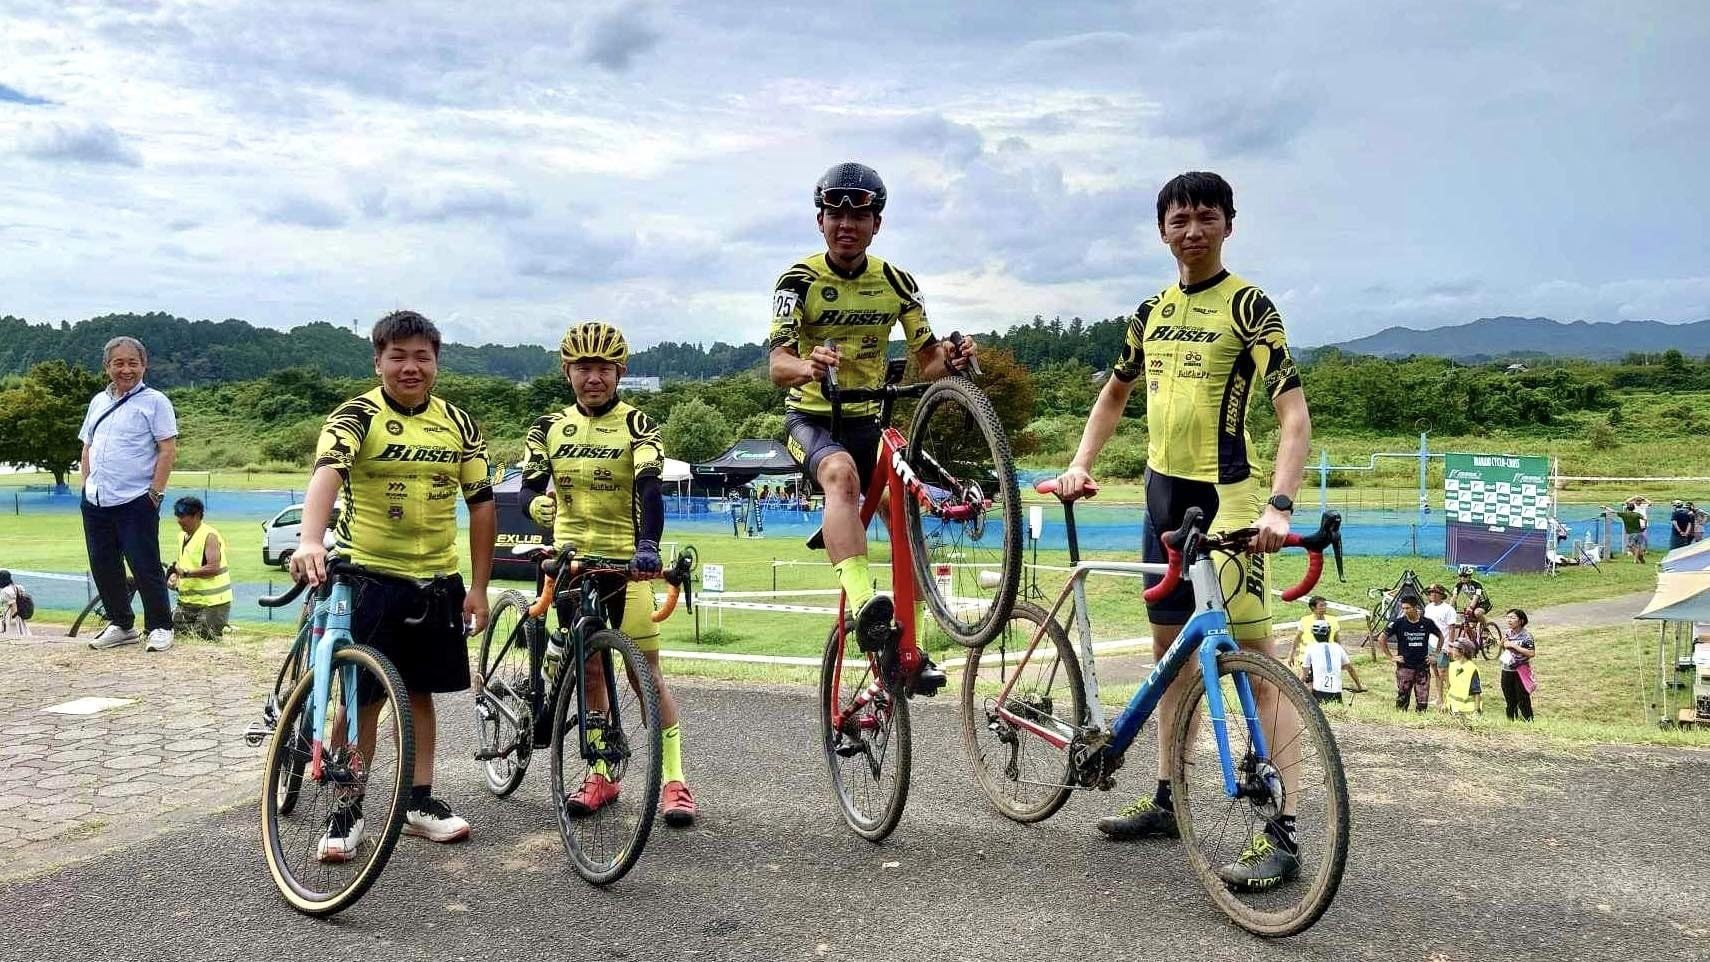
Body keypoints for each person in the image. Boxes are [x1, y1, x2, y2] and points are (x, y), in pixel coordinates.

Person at [1051, 171, 1310, 891]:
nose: (1192, 229)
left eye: (1206, 216)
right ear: (1161, 229)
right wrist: (1079, 464)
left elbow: (1294, 417)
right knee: (1170, 659)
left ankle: (1281, 829)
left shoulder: (1250, 306)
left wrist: (1279, 506)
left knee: (1256, 667)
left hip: (1228, 501)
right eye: (1179, 218)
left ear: (1229, 223)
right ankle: (1169, 798)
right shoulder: (1151, 312)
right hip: (1161, 499)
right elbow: (1113, 395)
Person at [291, 310, 495, 861]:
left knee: (422, 693)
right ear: (378, 361)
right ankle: (346, 806)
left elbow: (481, 507)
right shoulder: (357, 414)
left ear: (436, 363)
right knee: (360, 698)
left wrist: (478, 587)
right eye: (398, 356)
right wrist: (312, 540)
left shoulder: (458, 422)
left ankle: (416, 801)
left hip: (435, 582)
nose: (411, 367)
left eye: (421, 357)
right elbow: (327, 474)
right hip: (369, 575)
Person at [767, 162, 976, 683]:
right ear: (820, 220)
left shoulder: (896, 282)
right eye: (836, 213)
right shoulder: (798, 280)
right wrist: (807, 365)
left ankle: (913, 651)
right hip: (813, 420)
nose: (847, 224)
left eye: (859, 214)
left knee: (907, 522)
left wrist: (949, 358)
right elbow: (777, 365)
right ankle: (865, 607)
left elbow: (926, 361)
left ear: (876, 224)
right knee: (840, 476)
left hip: (871, 421)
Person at [521, 320, 697, 827]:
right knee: (592, 670)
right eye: (583, 367)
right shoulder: (548, 428)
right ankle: (601, 772)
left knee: (647, 674)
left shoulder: (638, 424)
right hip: (573, 561)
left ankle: (674, 780)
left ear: (620, 371)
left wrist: (647, 546)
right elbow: (531, 489)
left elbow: (650, 489)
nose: (593, 377)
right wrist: (540, 513)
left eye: (603, 367)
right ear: (567, 372)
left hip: (626, 563)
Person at [79, 336, 178, 652]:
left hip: (136, 499)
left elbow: (167, 449)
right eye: (118, 363)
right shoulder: (98, 402)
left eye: (132, 363)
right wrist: (86, 485)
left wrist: (155, 494)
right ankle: (121, 624)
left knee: (144, 565)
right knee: (104, 565)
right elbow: (88, 445)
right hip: (96, 500)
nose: (126, 369)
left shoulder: (156, 402)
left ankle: (160, 626)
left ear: (144, 365)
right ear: (107, 367)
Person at [165, 497, 232, 640]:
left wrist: (187, 573)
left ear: (196, 515)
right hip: (187, 602)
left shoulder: (210, 536)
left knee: (203, 639)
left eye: (182, 516)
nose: (178, 520)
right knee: (176, 637)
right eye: (177, 516)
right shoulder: (181, 536)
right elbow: (183, 563)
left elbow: (214, 568)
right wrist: (175, 576)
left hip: (213, 604)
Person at [1378, 597, 1441, 712]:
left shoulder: (1427, 623)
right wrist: (1391, 657)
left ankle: (1420, 718)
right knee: (1403, 695)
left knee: (1422, 697)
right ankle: (1401, 718)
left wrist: (1435, 654)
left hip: (1422, 665)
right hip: (1405, 666)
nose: (1405, 611)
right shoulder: (1399, 623)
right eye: (1403, 608)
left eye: (1407, 608)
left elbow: (1440, 636)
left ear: (1415, 608)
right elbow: (1381, 638)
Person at [1299, 621, 1362, 705]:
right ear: (1329, 633)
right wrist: (1359, 686)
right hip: (1336, 691)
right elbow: (1350, 669)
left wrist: (1297, 688)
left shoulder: (1310, 648)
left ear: (1314, 635)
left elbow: (1304, 674)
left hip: (1318, 691)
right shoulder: (1338, 647)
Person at [1497, 608, 1537, 721]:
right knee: (1509, 698)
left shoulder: (1527, 636)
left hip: (1520, 671)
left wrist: (1514, 646)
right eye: (1508, 617)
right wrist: (1501, 644)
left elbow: (1531, 653)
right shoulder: (1508, 633)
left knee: (1522, 698)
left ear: (1521, 621)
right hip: (1506, 669)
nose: (1509, 620)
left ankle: (1528, 721)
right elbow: (1503, 648)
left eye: (1513, 618)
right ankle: (1511, 720)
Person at [1422, 584, 1458, 709]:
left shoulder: (1448, 609)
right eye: (1431, 592)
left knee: (1444, 672)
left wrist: (1450, 646)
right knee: (1435, 671)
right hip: (1431, 644)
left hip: (1443, 645)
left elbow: (1451, 628)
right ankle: (1439, 698)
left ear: (1441, 595)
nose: (1432, 594)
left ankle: (1451, 698)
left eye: (1435, 592)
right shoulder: (1428, 608)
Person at [1286, 596, 1337, 670]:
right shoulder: (1305, 620)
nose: (1324, 607)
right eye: (1321, 605)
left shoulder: (1333, 620)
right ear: (1313, 608)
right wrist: (1291, 654)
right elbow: (1297, 638)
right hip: (1307, 659)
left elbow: (1336, 639)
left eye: (1325, 605)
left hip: (1326, 658)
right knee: (1307, 680)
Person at [1444, 640, 1483, 716]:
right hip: (1453, 710)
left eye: (1454, 649)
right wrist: (1445, 704)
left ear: (1462, 651)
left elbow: (1477, 691)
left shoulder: (1471, 669)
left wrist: (1477, 711)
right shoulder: (1452, 666)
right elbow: (1450, 689)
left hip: (1467, 712)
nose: (1452, 652)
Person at [0, 570, 30, 636]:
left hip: (11, 613)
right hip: (19, 613)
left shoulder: (6, 591)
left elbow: (13, 604)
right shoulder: (17, 587)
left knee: (11, 631)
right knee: (21, 629)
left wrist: (14, 617)